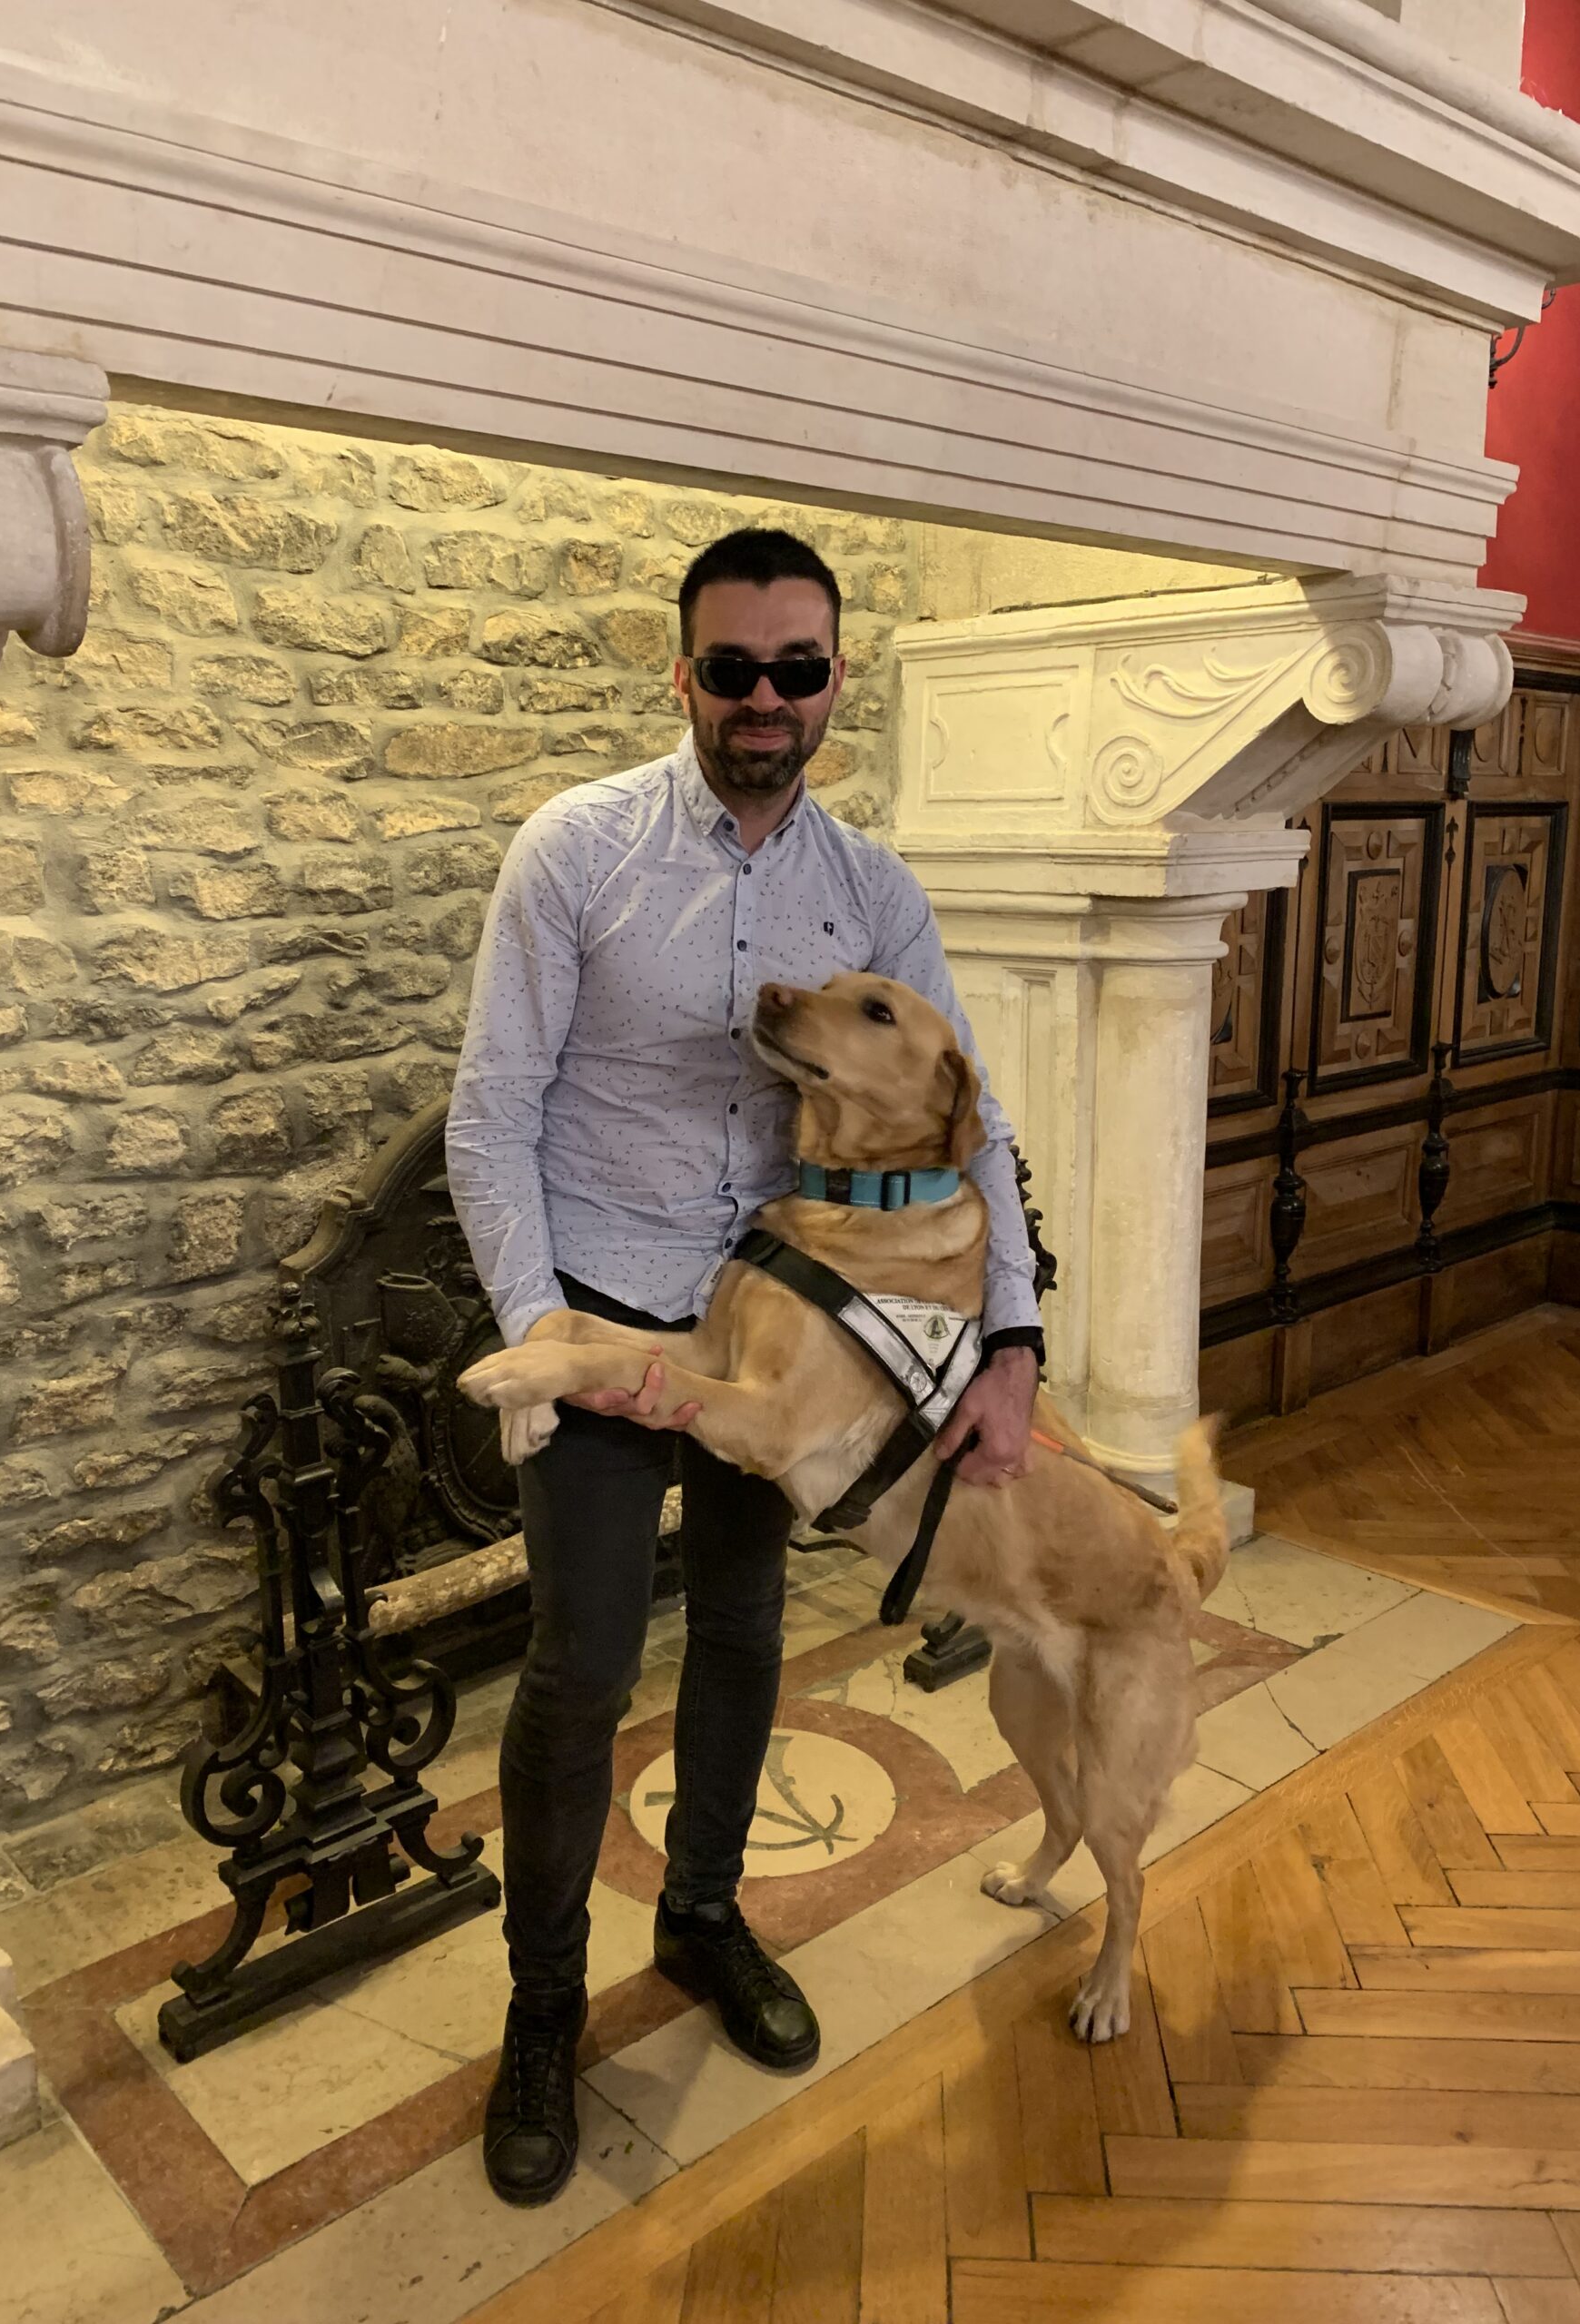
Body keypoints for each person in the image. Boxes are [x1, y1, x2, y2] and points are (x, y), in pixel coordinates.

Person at [445, 527, 1044, 2207]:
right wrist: (536, 1334)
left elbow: (969, 1113)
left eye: (797, 668)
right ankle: (544, 2008)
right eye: (733, 668)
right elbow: (492, 1112)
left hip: (781, 1317)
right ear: (685, 675)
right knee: (580, 1667)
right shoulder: (578, 850)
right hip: (603, 1299)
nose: (764, 697)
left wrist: (1014, 1337)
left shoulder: (875, 892)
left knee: (746, 1629)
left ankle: (702, 1917)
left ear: (834, 680)